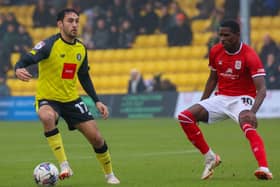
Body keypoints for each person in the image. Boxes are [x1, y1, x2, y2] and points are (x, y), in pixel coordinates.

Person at [14, 8, 120, 184]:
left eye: (77, 21)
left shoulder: (81, 49)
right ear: (60, 24)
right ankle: (64, 165)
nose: (75, 24)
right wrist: (18, 68)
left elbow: (84, 76)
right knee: (46, 115)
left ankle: (109, 174)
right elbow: (27, 58)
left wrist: (97, 101)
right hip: (49, 98)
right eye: (70, 21)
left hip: (72, 100)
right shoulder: (48, 45)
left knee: (97, 138)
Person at [177, 20, 273, 180]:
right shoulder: (215, 51)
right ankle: (210, 157)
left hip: (242, 99)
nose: (222, 38)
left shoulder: (249, 55)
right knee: (185, 117)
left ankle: (264, 168)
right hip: (221, 98)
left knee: (247, 124)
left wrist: (252, 111)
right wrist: (202, 103)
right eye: (220, 35)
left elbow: (262, 89)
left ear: (237, 35)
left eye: (226, 35)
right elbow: (212, 80)